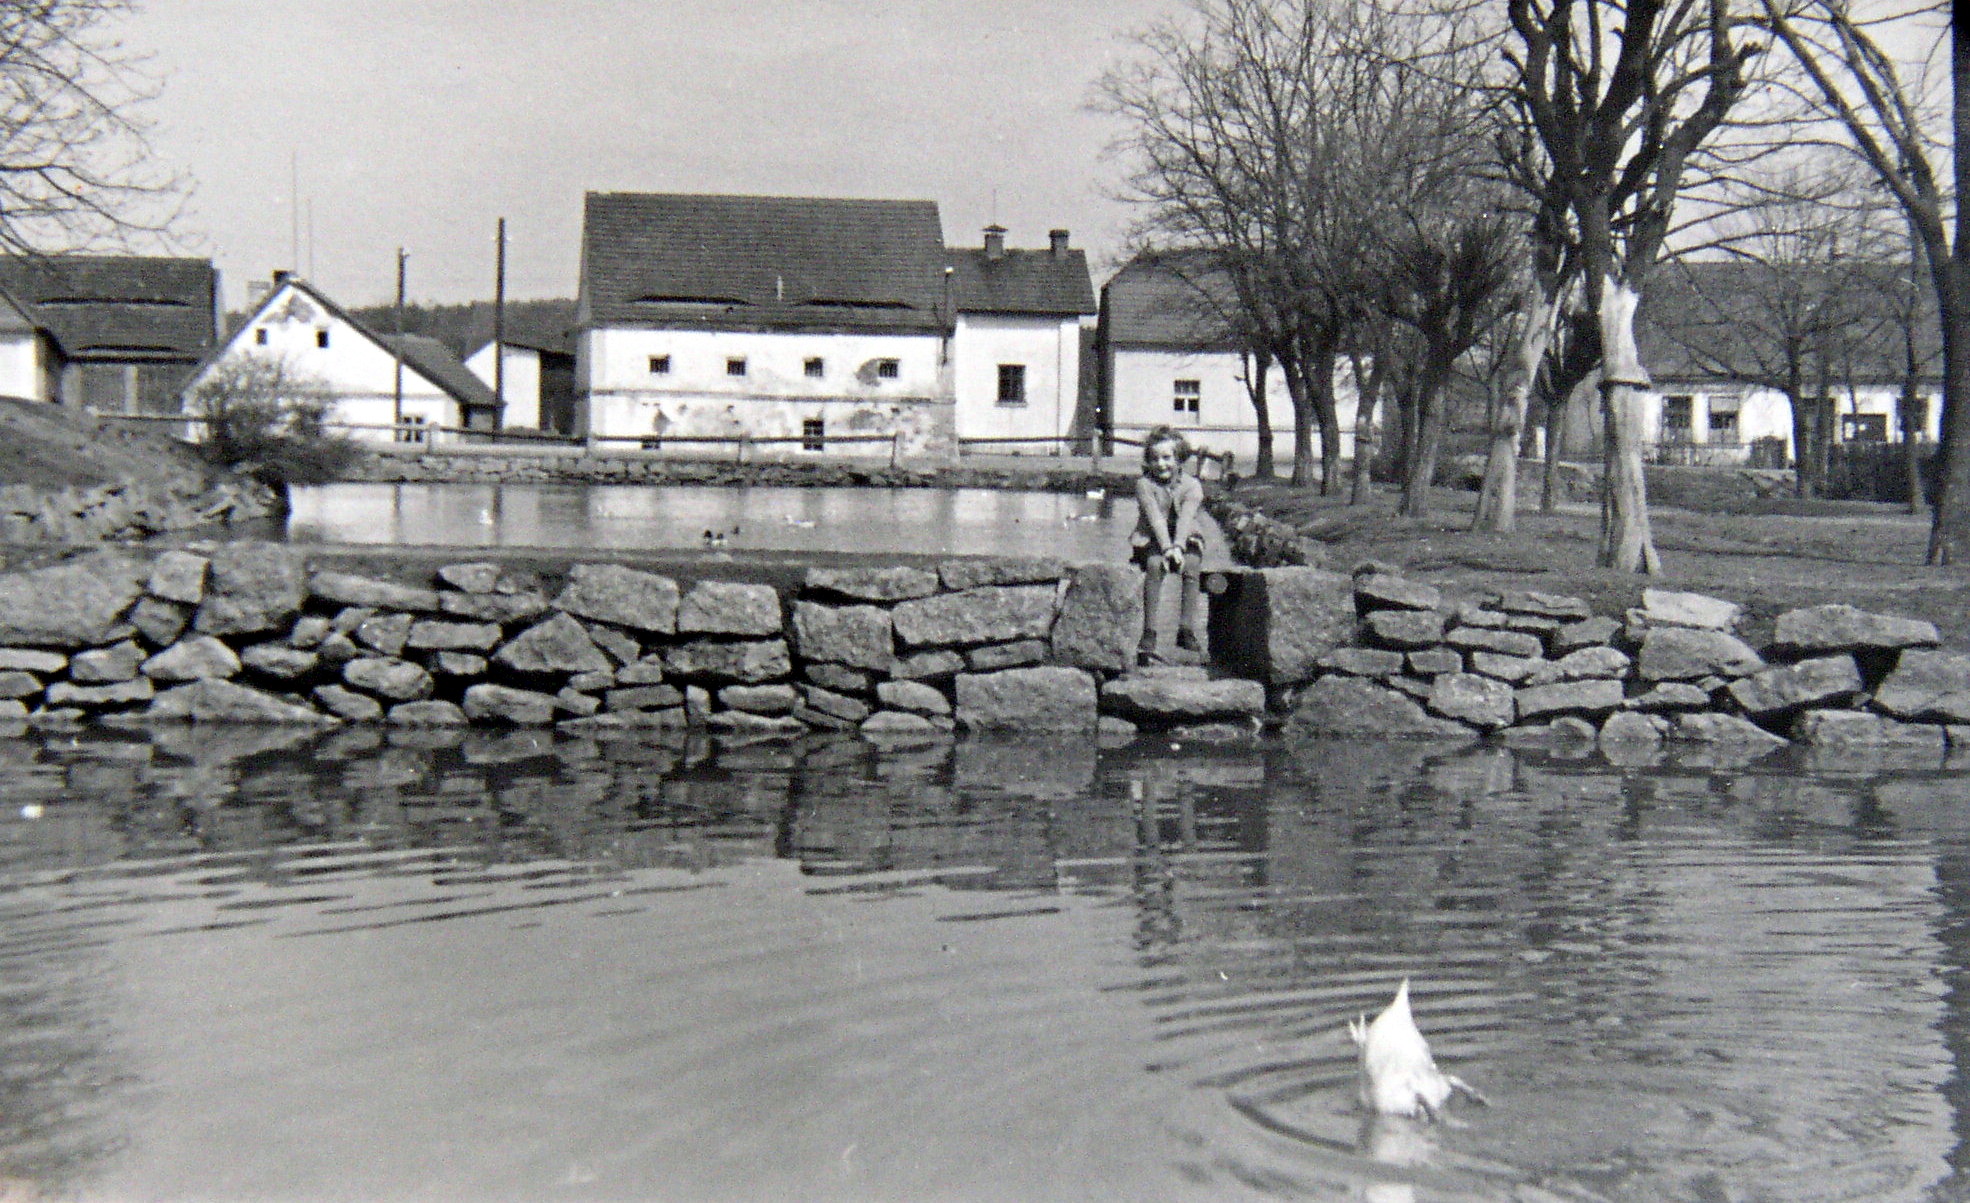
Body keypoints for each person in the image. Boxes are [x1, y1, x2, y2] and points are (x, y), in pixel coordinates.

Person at [1131, 426, 1206, 666]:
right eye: (1154, 459)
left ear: (1179, 459)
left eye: (1167, 458)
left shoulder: (1193, 486)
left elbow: (1186, 518)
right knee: (1155, 566)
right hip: (1152, 538)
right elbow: (1155, 518)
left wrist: (1179, 548)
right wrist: (1167, 548)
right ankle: (1149, 632)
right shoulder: (1144, 485)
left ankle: (1186, 629)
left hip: (1186, 537)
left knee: (1192, 565)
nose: (1161, 464)